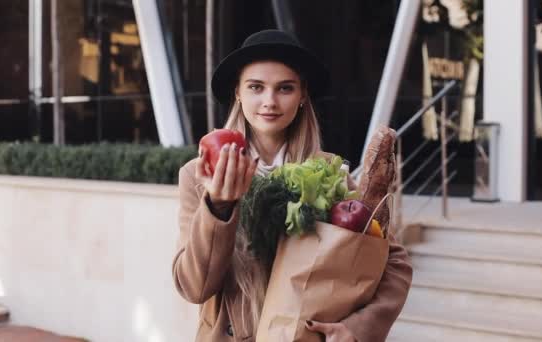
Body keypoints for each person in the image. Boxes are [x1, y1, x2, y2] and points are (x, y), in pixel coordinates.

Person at [173, 29, 413, 342]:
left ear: (302, 96)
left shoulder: (330, 173)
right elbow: (194, 287)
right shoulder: (200, 174)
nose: (269, 102)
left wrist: (358, 328)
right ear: (237, 92)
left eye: (285, 88)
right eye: (256, 87)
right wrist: (219, 206)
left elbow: (393, 262)